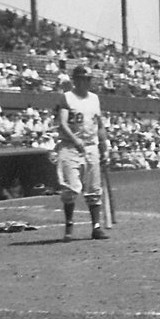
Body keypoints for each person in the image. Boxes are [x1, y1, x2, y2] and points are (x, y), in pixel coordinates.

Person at [55, 65, 110, 240]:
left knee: (94, 188)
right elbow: (62, 123)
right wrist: (74, 139)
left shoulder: (94, 99)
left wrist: (104, 145)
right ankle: (69, 226)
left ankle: (96, 227)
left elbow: (99, 125)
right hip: (70, 146)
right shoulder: (67, 98)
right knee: (70, 188)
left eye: (88, 79)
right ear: (76, 80)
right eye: (83, 79)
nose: (86, 82)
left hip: (91, 146)